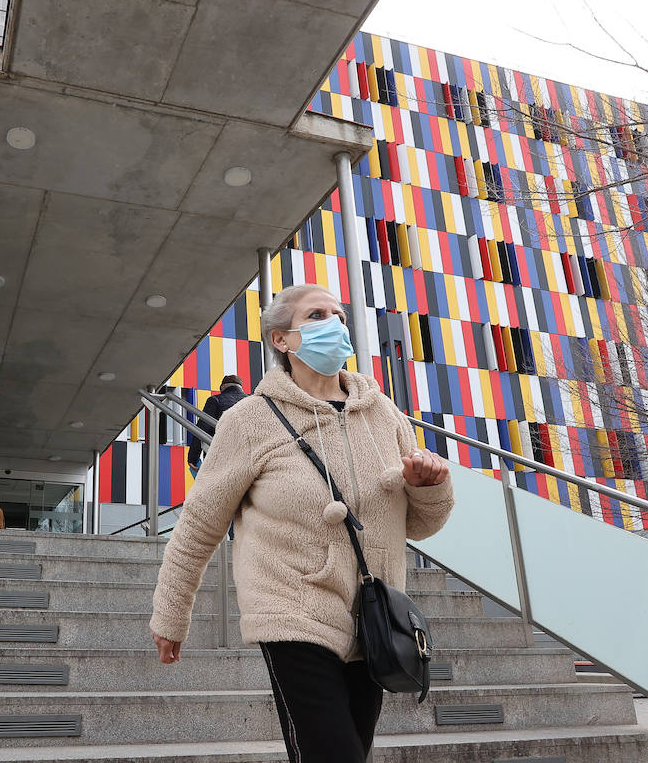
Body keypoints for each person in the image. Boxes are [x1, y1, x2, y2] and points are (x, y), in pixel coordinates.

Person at [149, 283, 454, 763]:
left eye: (338, 314)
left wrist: (428, 485)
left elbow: (420, 526)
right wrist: (171, 614)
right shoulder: (249, 421)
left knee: (351, 747)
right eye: (317, 315)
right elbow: (198, 527)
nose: (334, 323)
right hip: (291, 612)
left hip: (372, 616)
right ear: (281, 340)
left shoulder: (384, 415)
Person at [186, 374, 247, 472]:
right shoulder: (251, 401)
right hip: (247, 457)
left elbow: (202, 429)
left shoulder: (215, 400)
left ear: (222, 387)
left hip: (220, 457)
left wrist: (193, 458)